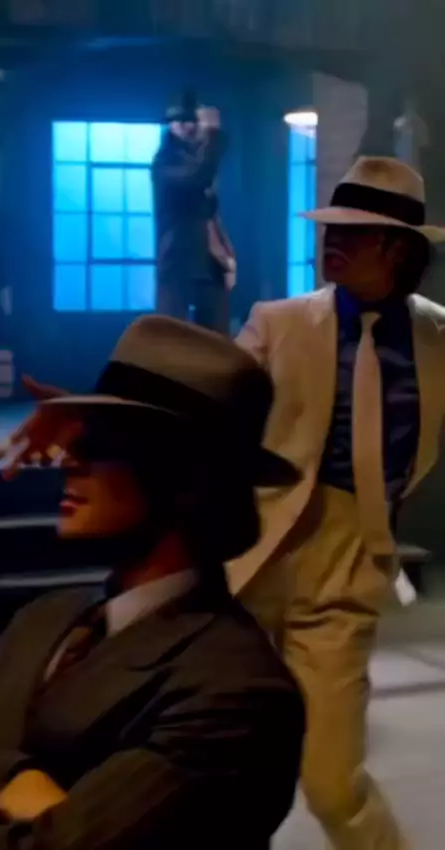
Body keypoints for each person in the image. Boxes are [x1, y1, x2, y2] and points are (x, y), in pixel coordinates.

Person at [0, 317, 305, 850]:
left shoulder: (238, 690)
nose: (70, 460)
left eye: (101, 443)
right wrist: (10, 779)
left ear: (185, 479)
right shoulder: (46, 618)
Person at [228, 157, 445, 850]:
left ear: (397, 249)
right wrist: (100, 423)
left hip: (349, 563)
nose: (333, 241)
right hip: (250, 551)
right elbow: (205, 400)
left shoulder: (438, 338)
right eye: (331, 226)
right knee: (219, 766)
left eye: (354, 231)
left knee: (331, 781)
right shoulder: (278, 322)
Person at [152, 90, 236, 334]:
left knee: (216, 341)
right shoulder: (165, 163)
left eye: (193, 120)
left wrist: (227, 254)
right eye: (182, 120)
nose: (189, 126)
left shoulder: (200, 155)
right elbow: (197, 176)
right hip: (178, 261)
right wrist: (212, 136)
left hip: (210, 263)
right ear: (171, 124)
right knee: (170, 337)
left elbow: (210, 214)